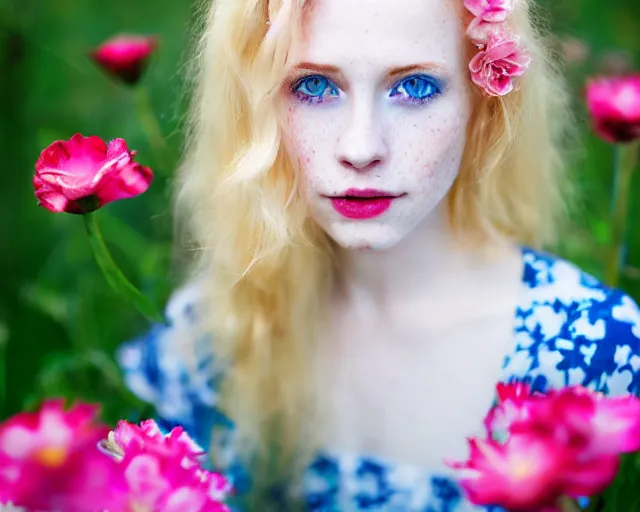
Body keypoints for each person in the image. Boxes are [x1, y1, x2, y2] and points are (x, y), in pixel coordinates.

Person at [116, 0, 640, 509]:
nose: (361, 148)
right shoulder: (219, 334)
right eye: (313, 86)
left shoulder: (589, 350)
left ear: (484, 102)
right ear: (256, 108)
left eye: (414, 86)